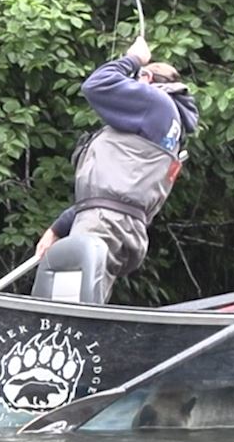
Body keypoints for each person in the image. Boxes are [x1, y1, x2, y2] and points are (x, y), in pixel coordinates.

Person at [36, 35, 200, 302]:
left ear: (145, 79)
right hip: (118, 224)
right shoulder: (167, 124)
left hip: (105, 224)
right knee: (83, 303)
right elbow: (115, 190)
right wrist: (58, 227)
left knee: (67, 312)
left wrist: (133, 58)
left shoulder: (156, 104)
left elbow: (97, 85)